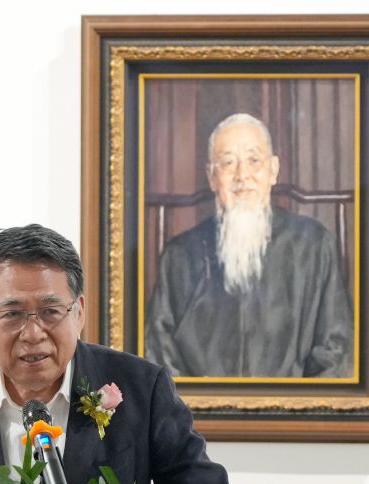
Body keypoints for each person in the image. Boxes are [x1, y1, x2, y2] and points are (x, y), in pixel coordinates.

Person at [0, 224, 274, 484]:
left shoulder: (141, 389)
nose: (33, 333)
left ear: (79, 312)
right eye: (12, 314)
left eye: (51, 311)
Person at [145, 113, 353, 378]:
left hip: (294, 404)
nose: (242, 175)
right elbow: (158, 355)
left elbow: (337, 352)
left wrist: (297, 401)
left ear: (273, 171)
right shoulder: (180, 255)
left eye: (254, 160)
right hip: (197, 404)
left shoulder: (314, 245)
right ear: (212, 177)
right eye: (228, 163)